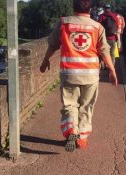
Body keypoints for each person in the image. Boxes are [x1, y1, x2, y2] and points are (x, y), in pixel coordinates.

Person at [39, 0, 118, 152]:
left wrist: (44, 61)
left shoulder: (63, 23)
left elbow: (52, 45)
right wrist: (112, 71)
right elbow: (104, 51)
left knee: (69, 105)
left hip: (69, 73)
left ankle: (71, 129)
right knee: (86, 106)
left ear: (73, 7)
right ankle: (81, 137)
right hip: (90, 74)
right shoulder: (97, 27)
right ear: (90, 9)